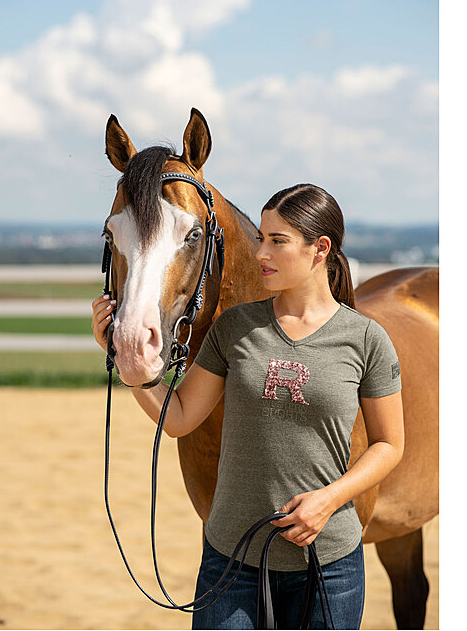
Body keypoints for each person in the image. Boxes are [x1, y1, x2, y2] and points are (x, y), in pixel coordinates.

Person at [91, 183, 404, 630]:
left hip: (330, 565)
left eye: (278, 241)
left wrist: (328, 500)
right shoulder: (234, 328)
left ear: (320, 249)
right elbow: (178, 419)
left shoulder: (367, 340)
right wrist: (130, 369)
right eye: (261, 238)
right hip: (231, 563)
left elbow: (390, 444)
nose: (262, 252)